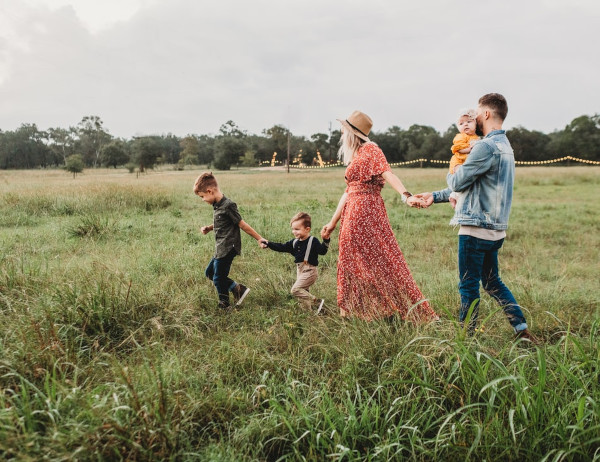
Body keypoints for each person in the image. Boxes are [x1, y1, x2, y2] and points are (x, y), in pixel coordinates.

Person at [414, 94, 538, 343]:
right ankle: (521, 330)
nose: (475, 118)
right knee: (492, 282)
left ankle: (465, 339)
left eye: (478, 113)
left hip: (475, 229)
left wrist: (454, 170)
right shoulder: (506, 147)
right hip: (496, 230)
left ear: (488, 114)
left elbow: (459, 181)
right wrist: (435, 196)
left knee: (468, 286)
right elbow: (474, 186)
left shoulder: (484, 146)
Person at [321, 110, 438, 322]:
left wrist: (406, 196)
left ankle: (389, 308)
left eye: (343, 130)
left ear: (352, 133)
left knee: (381, 259)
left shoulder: (371, 149)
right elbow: (348, 191)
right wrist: (332, 222)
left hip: (365, 211)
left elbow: (388, 173)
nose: (340, 133)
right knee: (351, 260)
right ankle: (355, 311)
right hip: (353, 210)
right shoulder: (357, 154)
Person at [193, 172, 266, 311]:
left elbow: (241, 224)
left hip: (228, 247)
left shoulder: (228, 205)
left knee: (218, 278)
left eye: (202, 196)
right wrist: (209, 228)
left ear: (210, 191)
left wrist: (259, 238)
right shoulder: (217, 205)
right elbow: (223, 222)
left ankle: (224, 305)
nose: (202, 200)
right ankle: (238, 289)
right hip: (220, 247)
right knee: (209, 273)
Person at [260, 212, 330, 313]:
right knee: (303, 293)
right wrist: (269, 244)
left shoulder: (312, 241)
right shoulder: (294, 242)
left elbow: (322, 251)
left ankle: (317, 302)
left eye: (297, 229)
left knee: (296, 290)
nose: (294, 232)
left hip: (310, 271)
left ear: (307, 229)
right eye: (293, 229)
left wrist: (326, 240)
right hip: (300, 270)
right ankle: (308, 313)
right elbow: (281, 247)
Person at [448, 108, 480, 213]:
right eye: (461, 123)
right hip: (458, 162)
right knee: (461, 176)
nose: (465, 125)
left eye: (469, 122)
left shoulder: (477, 138)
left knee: (466, 182)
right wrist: (469, 149)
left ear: (476, 124)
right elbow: (457, 148)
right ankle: (454, 197)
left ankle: (454, 196)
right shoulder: (460, 136)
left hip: (467, 162)